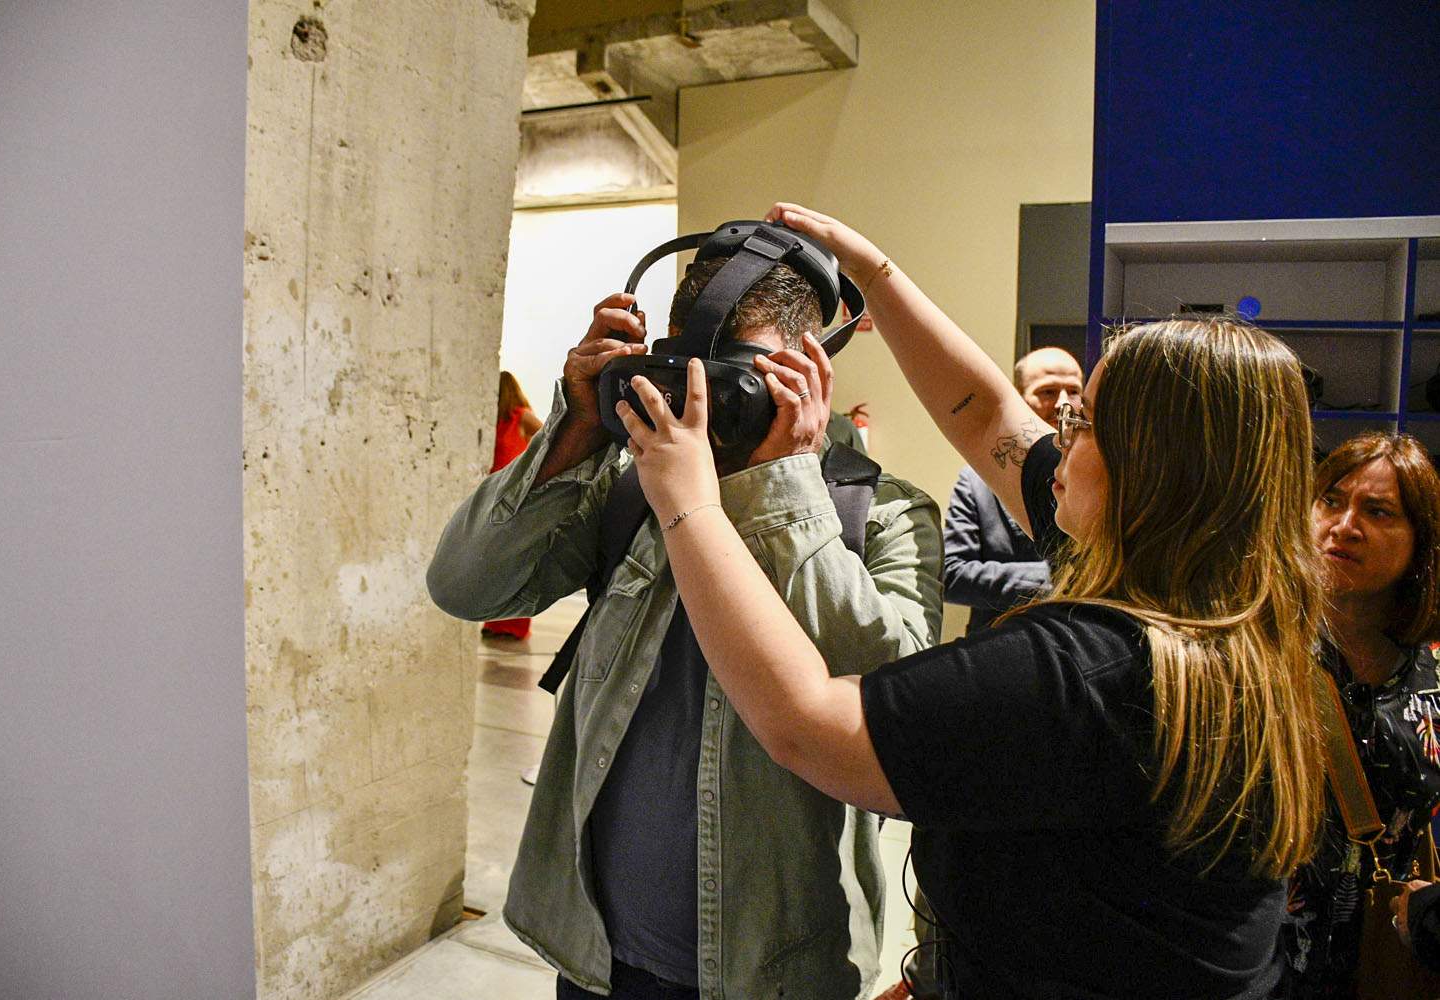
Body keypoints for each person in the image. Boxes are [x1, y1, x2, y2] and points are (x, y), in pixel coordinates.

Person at [614, 202, 1330, 998]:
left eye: (1085, 423)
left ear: (1155, 473)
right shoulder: (1230, 615)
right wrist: (873, 270)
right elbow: (988, 414)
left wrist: (690, 503)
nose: (1058, 436)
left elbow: (806, 726)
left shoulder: (1087, 672)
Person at [428, 258, 944, 999]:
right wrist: (574, 430)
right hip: (598, 955)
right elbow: (464, 585)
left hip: (768, 975)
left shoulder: (884, 515)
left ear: (810, 371)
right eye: (688, 372)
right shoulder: (631, 486)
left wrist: (784, 488)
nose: (706, 405)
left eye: (738, 378)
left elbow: (893, 729)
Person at [1278, 431, 1440, 997]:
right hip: (1256, 961)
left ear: (1421, 543)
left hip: (1380, 957)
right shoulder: (1258, 647)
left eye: (1377, 511)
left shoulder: (1433, 679)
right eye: (1331, 500)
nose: (1345, 525)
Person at [943, 347, 1081, 634]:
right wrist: (1058, 578)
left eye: (1074, 392)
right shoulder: (976, 480)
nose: (1063, 404)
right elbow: (952, 575)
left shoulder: (1094, 476)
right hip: (995, 647)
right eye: (1048, 392)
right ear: (1018, 398)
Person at [483, 371, 544, 639]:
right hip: (497, 498)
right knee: (497, 564)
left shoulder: (520, 416)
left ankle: (512, 625)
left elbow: (547, 438)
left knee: (513, 562)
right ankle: (496, 622)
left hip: (517, 499)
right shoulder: (495, 422)